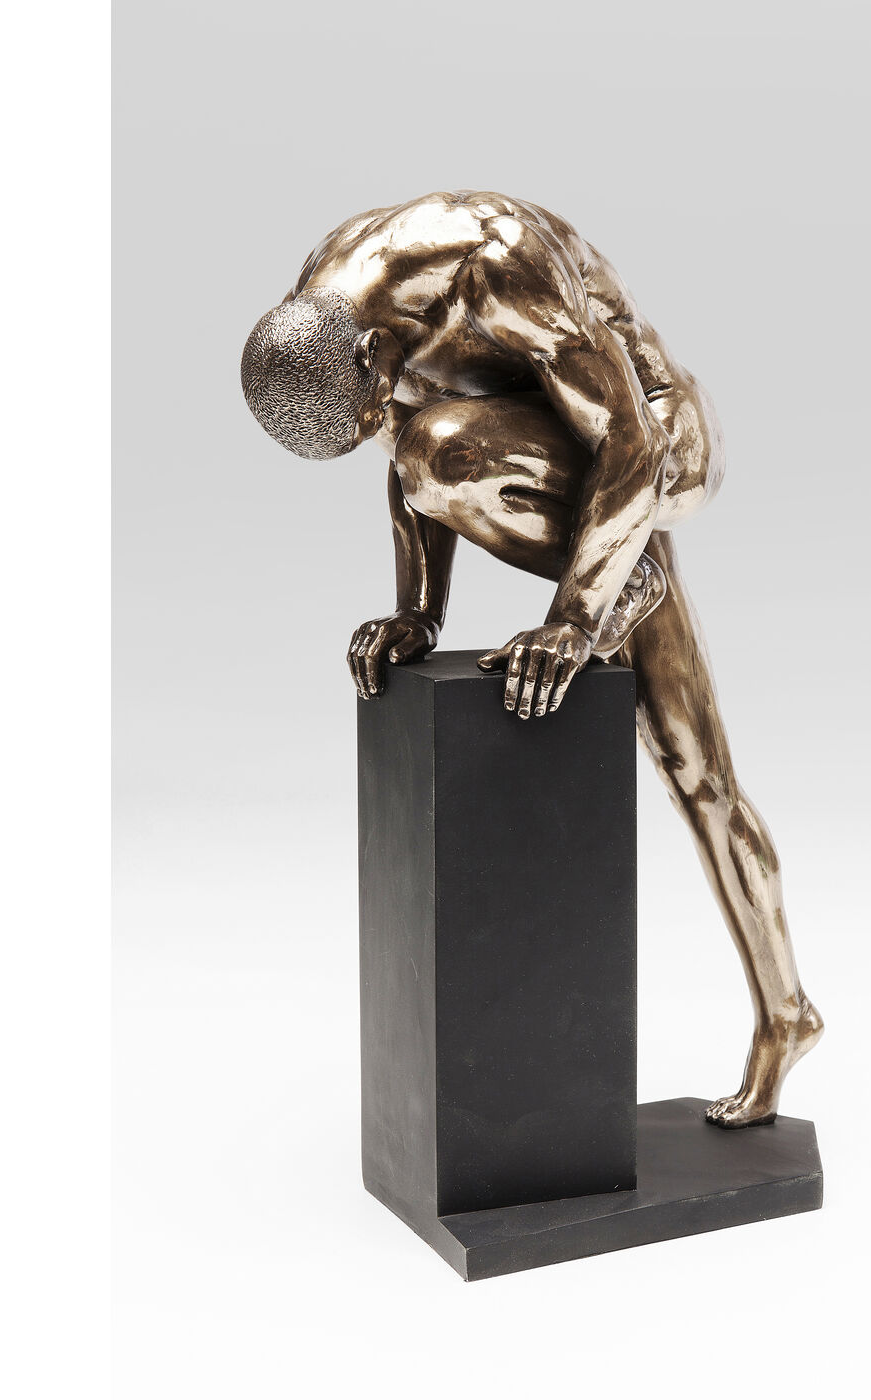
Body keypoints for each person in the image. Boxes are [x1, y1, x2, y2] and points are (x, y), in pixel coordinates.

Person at [242, 190, 822, 1126]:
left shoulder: (495, 262)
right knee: (699, 773)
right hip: (558, 443)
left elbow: (627, 441)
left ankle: (619, 584)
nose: (384, 420)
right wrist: (419, 612)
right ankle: (787, 1013)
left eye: (376, 399)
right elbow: (405, 462)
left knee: (441, 446)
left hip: (656, 440)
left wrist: (576, 616)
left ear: (373, 354)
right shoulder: (328, 301)